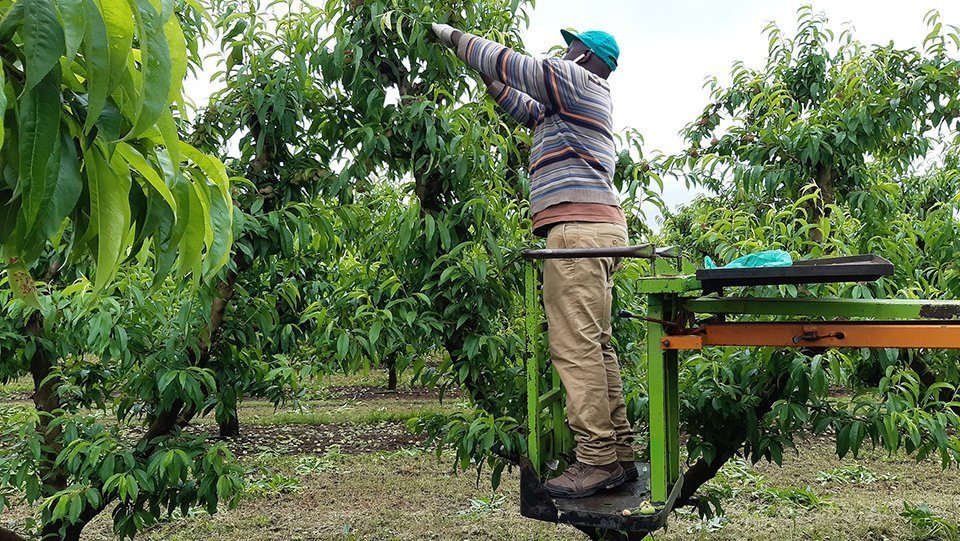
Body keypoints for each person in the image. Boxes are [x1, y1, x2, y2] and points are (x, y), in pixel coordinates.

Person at [431, 23, 634, 499]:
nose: (563, 52)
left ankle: (597, 460)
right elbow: (518, 101)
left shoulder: (577, 81)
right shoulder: (563, 107)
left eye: (571, 47)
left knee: (575, 348)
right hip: (597, 231)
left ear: (586, 56)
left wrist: (451, 36)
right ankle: (619, 451)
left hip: (577, 234)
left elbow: (515, 65)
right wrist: (481, 70)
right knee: (597, 345)